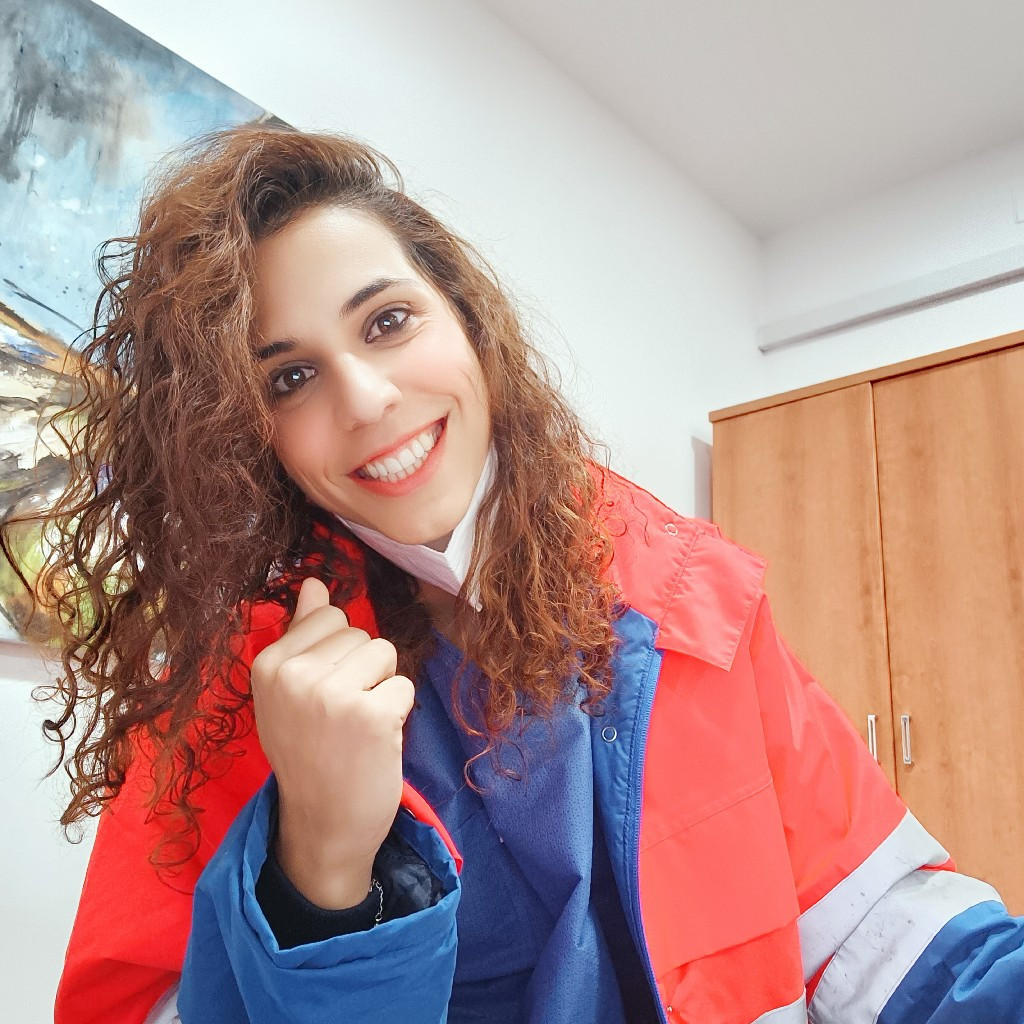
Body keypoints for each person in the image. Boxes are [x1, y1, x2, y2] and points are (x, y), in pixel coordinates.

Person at [10, 124, 1023, 1024]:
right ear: (249, 434)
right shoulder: (215, 713)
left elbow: (878, 929)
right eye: (291, 377)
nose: (365, 398)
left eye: (386, 322)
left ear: (469, 323)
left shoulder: (688, 594)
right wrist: (317, 868)